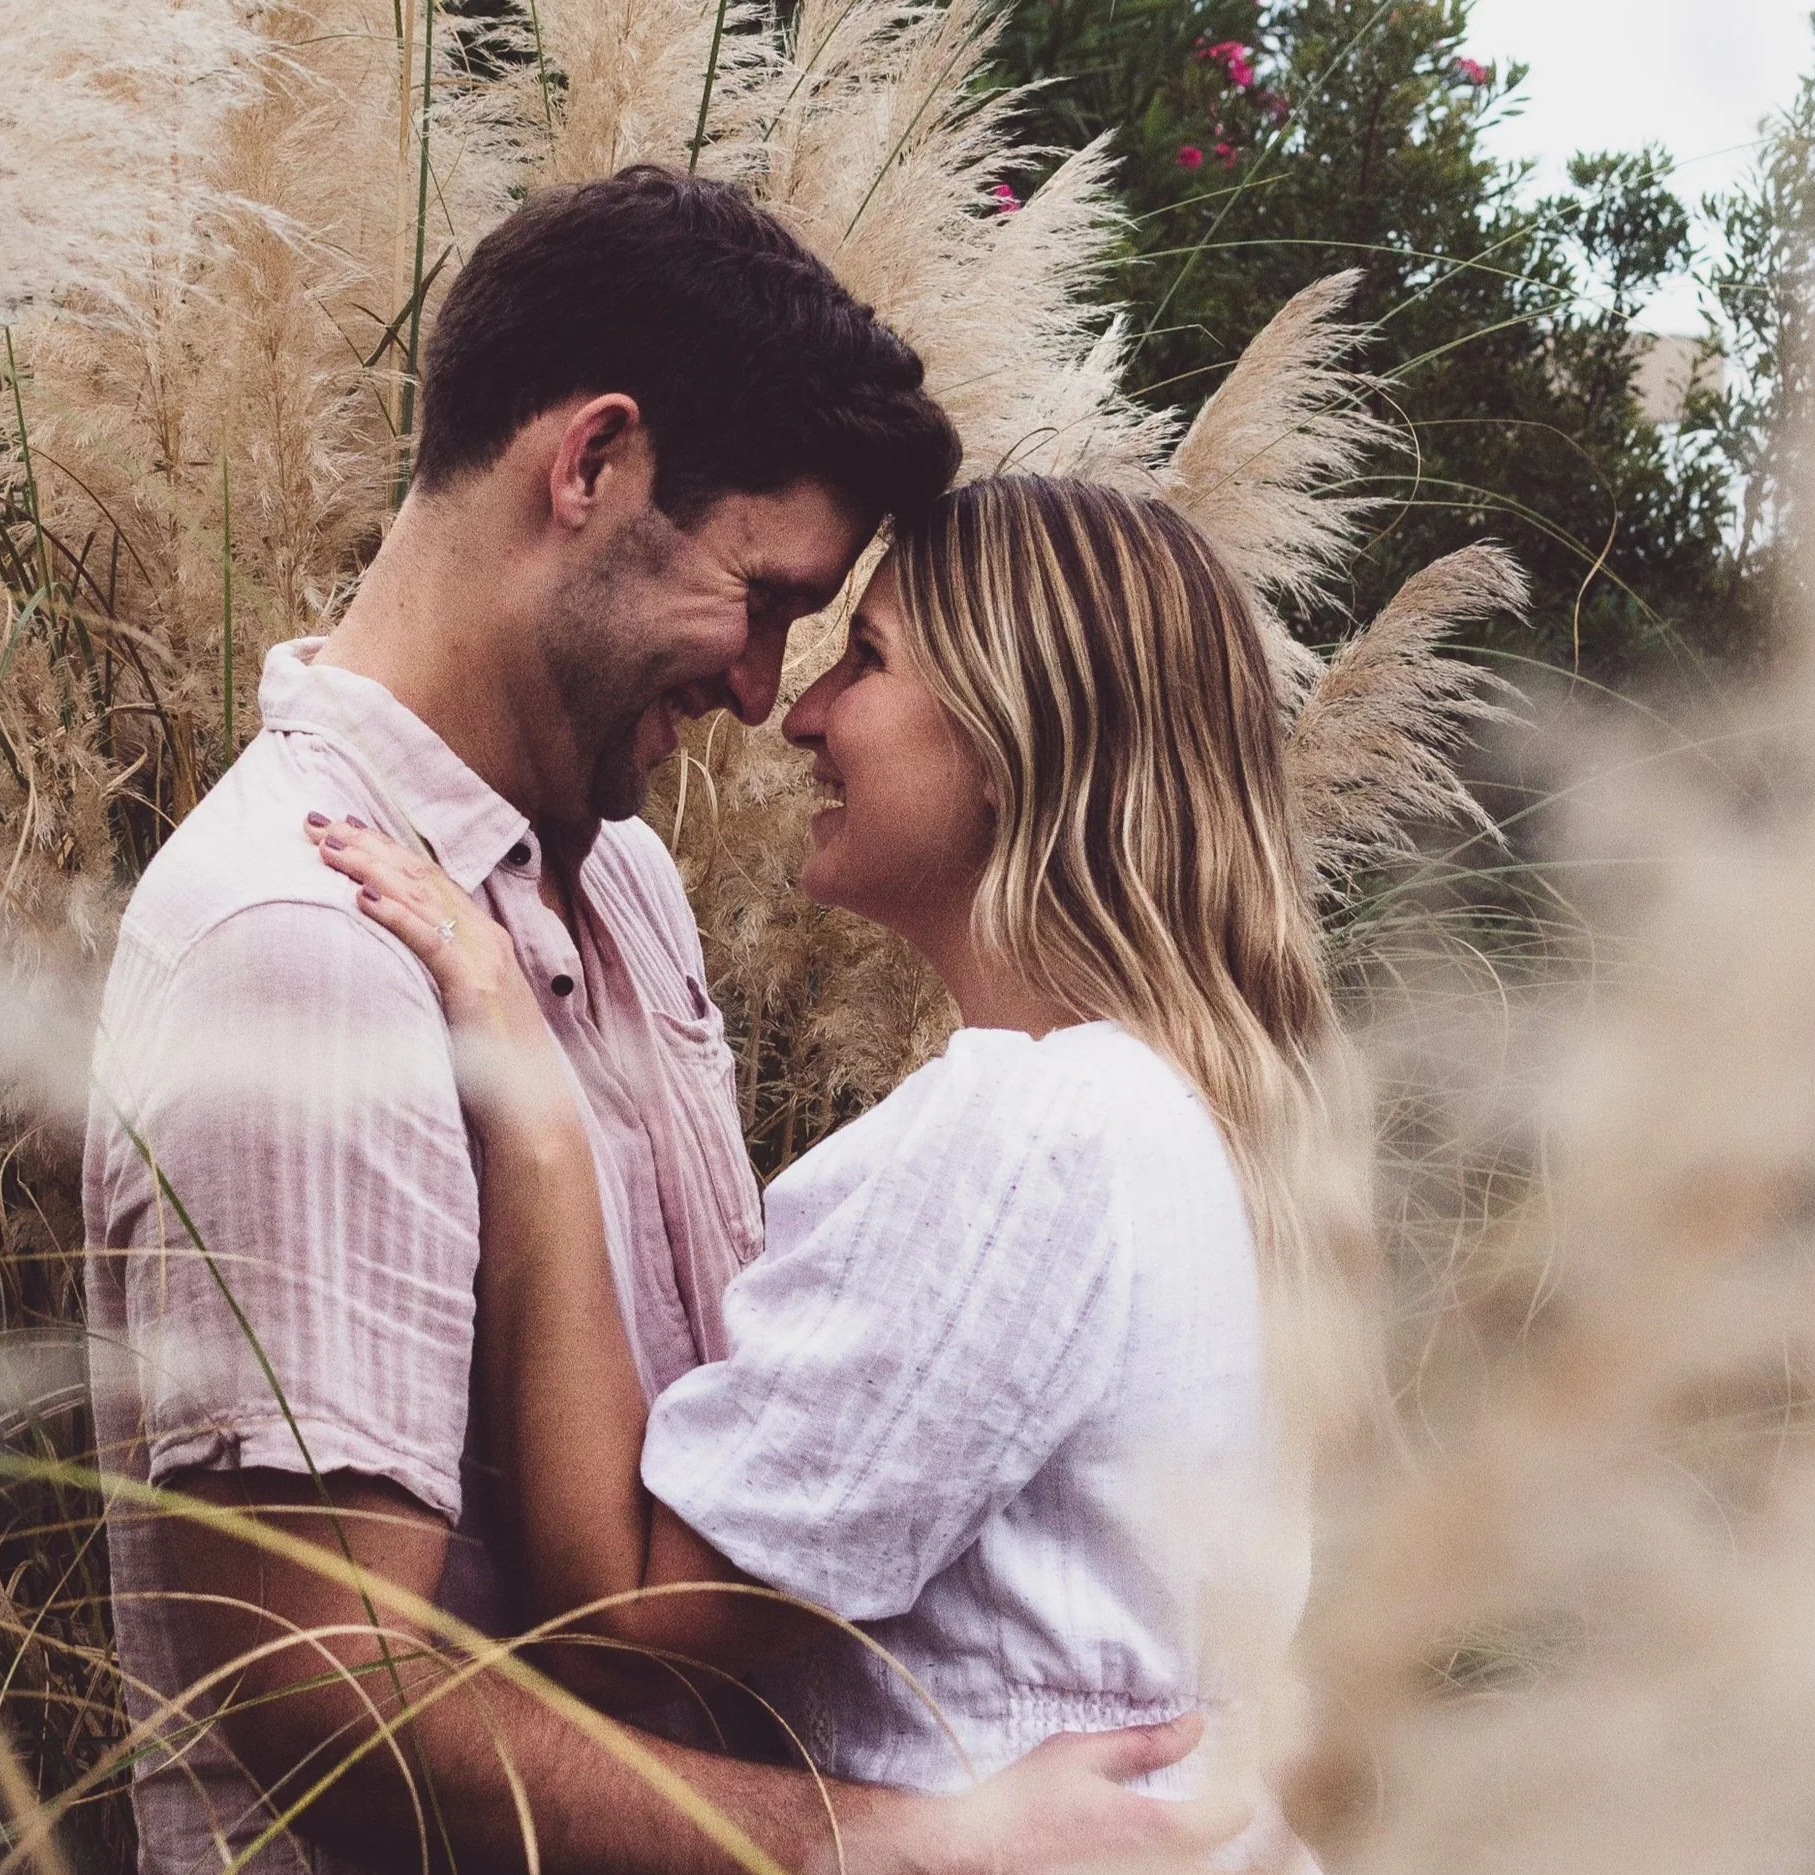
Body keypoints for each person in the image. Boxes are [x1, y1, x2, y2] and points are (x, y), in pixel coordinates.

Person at [83, 170, 1220, 1875]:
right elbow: (322, 1695)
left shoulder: (620, 890)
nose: (768, 692)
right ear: (592, 464)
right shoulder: (305, 944)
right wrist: (914, 1843)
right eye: (764, 598)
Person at [309, 476, 1359, 1871]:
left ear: (1007, 737)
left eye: (866, 661)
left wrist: (534, 1102)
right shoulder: (1209, 1117)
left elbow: (626, 1611)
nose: (799, 713)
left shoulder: (1028, 1132)